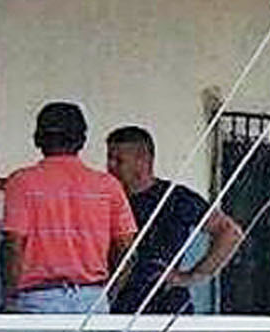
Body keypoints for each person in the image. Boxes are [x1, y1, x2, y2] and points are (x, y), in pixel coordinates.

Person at [0, 102, 137, 314]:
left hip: (37, 299)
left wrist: (10, 298)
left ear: (37, 139)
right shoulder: (108, 186)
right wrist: (108, 294)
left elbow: (12, 246)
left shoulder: (21, 182)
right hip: (92, 297)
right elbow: (128, 252)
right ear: (82, 140)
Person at [101, 126, 243, 317]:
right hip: (117, 304)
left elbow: (229, 232)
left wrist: (193, 276)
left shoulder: (175, 198)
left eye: (118, 160)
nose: (110, 167)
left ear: (142, 160)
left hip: (166, 305)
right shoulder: (106, 199)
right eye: (109, 159)